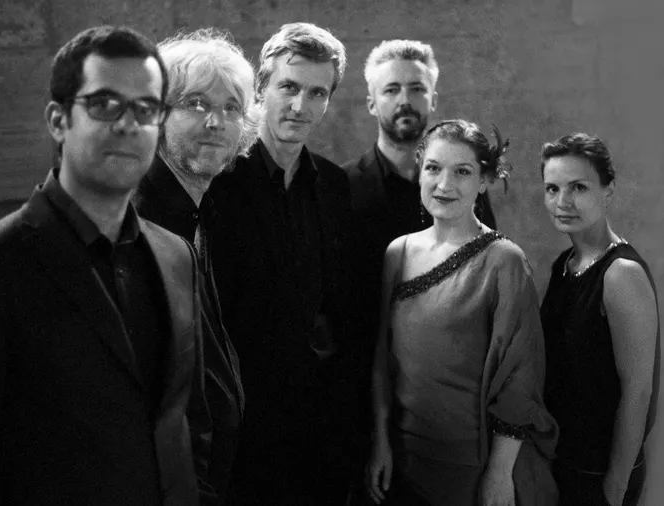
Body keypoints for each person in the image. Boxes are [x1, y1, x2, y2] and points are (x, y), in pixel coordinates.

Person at [0, 25, 207, 505]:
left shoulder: (176, 255)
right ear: (58, 120)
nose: (129, 124)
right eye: (105, 103)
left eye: (146, 108)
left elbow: (183, 418)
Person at [364, 119, 558, 506]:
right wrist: (381, 443)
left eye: (462, 172)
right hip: (404, 459)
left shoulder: (505, 261)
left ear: (484, 180)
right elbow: (382, 359)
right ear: (419, 172)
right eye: (433, 168)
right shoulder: (398, 252)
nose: (444, 184)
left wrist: (499, 473)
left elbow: (520, 379)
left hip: (471, 465)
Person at [207, 22, 357, 505]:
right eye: (289, 87)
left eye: (317, 93)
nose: (300, 106)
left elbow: (336, 305)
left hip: (318, 423)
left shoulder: (333, 185)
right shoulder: (218, 182)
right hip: (242, 425)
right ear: (261, 87)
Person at [342, 44, 499, 476]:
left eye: (416, 88)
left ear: (433, 99)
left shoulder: (464, 189)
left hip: (451, 404)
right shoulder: (342, 189)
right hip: (361, 400)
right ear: (371, 102)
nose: (405, 100)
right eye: (391, 89)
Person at [132, 27, 254, 505]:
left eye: (232, 108)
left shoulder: (205, 212)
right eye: (196, 103)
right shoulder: (138, 225)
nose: (216, 122)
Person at [538, 133, 661, 506]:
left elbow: (638, 391)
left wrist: (615, 488)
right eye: (552, 188)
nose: (562, 202)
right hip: (565, 465)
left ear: (608, 190)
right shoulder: (564, 265)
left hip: (601, 477)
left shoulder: (621, 273)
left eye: (578, 187)